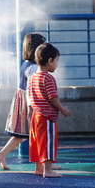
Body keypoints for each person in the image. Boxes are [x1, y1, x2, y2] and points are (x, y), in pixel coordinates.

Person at [0, 32, 50, 170]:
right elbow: (32, 89)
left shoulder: (26, 64)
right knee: (37, 133)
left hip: (24, 101)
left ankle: (3, 154)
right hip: (29, 103)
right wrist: (34, 107)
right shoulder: (32, 67)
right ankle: (44, 163)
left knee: (22, 134)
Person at [28, 43, 71, 178]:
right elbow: (53, 98)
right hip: (46, 117)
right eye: (56, 61)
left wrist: (30, 111)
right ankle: (48, 170)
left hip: (36, 115)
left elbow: (29, 96)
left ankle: (38, 168)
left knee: (36, 142)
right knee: (48, 142)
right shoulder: (48, 78)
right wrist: (63, 110)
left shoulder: (32, 77)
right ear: (49, 61)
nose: (57, 64)